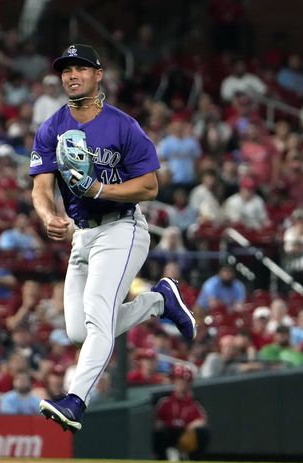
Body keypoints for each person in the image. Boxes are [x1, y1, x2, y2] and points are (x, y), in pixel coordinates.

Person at [31, 44, 196, 432]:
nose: (72, 74)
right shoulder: (52, 127)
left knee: (97, 315)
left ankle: (76, 401)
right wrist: (46, 215)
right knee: (78, 331)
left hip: (122, 227)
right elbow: (40, 187)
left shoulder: (123, 125)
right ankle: (157, 301)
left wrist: (101, 191)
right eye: (66, 69)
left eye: (81, 68)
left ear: (98, 75)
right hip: (82, 236)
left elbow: (150, 186)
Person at [153, 366, 209, 462]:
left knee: (203, 431)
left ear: (189, 384)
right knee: (160, 431)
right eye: (178, 380)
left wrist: (190, 427)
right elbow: (157, 420)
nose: (181, 384)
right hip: (169, 433)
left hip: (185, 432)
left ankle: (193, 458)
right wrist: (160, 424)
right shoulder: (165, 401)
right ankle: (164, 456)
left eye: (184, 381)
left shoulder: (194, 403)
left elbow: (202, 420)